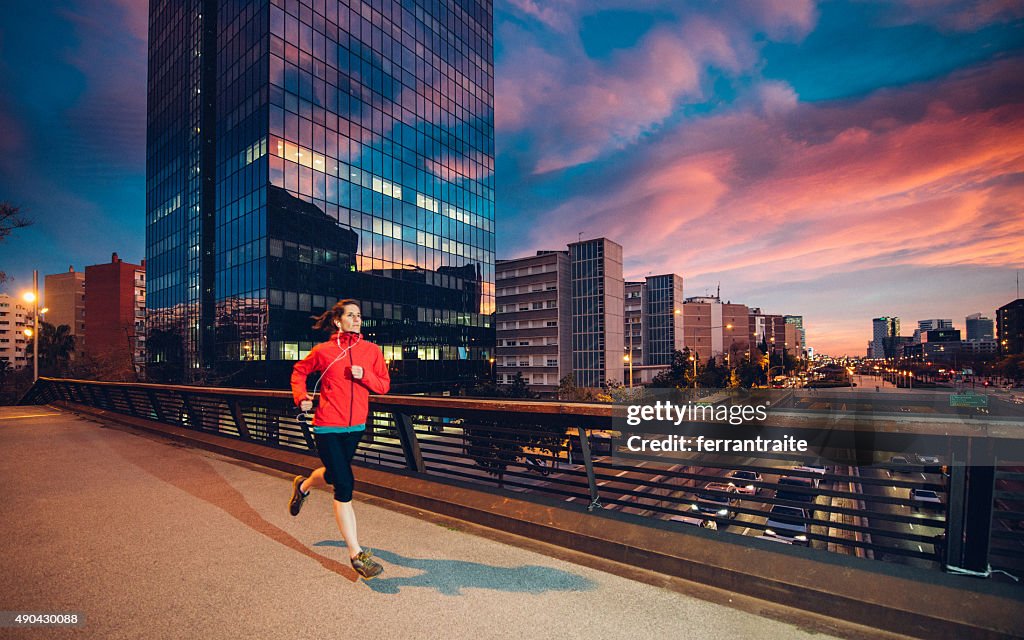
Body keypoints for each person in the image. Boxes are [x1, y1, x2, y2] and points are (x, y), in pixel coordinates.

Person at [288, 299, 391, 579]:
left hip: (355, 427)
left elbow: (384, 385)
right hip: (327, 426)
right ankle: (357, 554)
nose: (357, 319)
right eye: (351, 315)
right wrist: (302, 397)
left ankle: (304, 485)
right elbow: (299, 372)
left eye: (359, 315)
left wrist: (365, 375)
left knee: (335, 475)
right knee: (344, 484)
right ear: (338, 321)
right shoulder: (324, 351)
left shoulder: (371, 351)